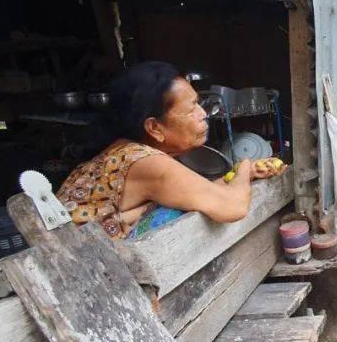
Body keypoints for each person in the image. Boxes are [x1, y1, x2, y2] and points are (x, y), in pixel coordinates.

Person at [57, 62, 261, 240]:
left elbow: (202, 193)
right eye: (191, 110)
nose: (203, 114)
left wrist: (241, 177)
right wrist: (244, 167)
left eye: (198, 103)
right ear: (154, 127)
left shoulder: (124, 151)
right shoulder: (143, 161)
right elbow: (232, 207)